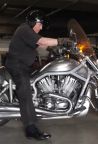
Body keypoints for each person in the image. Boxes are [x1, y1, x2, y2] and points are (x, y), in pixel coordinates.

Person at [5, 10, 71, 140]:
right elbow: (42, 42)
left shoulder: (29, 33)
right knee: (25, 91)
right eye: (40, 24)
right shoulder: (24, 29)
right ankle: (30, 128)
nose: (41, 27)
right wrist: (62, 41)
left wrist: (55, 49)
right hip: (17, 65)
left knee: (44, 75)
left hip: (25, 64)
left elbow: (42, 46)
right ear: (33, 22)